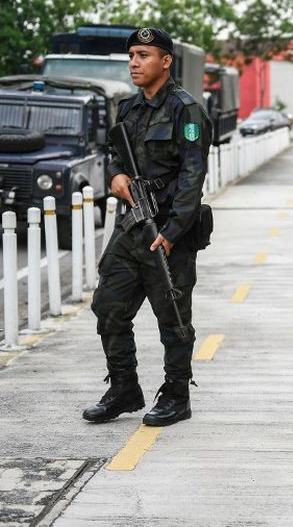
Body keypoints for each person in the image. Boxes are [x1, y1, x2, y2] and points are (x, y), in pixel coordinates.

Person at [82, 27, 211, 427]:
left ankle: (177, 394)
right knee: (108, 307)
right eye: (132, 55)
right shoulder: (128, 108)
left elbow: (193, 179)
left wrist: (172, 233)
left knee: (172, 316)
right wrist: (116, 176)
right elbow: (113, 153)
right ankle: (124, 387)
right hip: (131, 225)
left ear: (166, 61)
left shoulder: (186, 110)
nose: (135, 62)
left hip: (169, 228)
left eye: (143, 55)